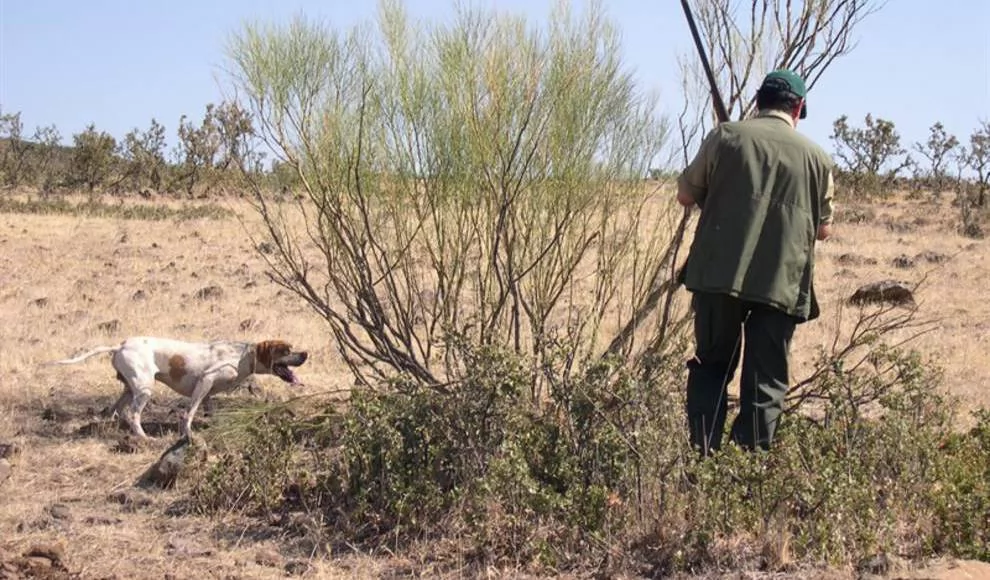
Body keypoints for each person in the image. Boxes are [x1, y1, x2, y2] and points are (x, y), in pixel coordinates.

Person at [675, 69, 835, 456]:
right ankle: (746, 478)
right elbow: (824, 230)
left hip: (718, 278)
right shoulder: (818, 158)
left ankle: (703, 463)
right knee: (765, 385)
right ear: (798, 108)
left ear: (758, 101)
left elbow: (685, 195)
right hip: (780, 286)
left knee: (712, 367)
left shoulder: (726, 136)